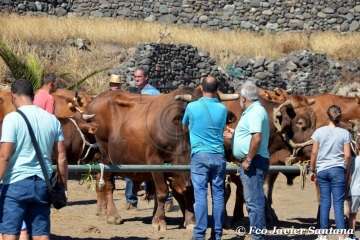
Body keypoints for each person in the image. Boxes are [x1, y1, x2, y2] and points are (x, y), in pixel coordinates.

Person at [0, 79, 68, 240]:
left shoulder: (12, 119)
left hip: (16, 184)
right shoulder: (52, 120)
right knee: (41, 233)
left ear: (13, 96)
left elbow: (4, 156)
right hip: (43, 184)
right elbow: (62, 157)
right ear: (32, 95)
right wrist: (63, 185)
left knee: (10, 232)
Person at [182, 75, 228, 240]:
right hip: (218, 156)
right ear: (216, 90)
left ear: (201, 88)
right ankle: (217, 233)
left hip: (199, 156)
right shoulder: (223, 109)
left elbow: (184, 126)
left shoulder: (192, 107)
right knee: (218, 194)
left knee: (200, 195)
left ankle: (199, 234)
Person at [224, 81, 270, 240]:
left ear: (244, 98)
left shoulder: (255, 112)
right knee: (253, 202)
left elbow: (256, 138)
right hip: (254, 161)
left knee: (254, 203)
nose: (239, 102)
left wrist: (248, 159)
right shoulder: (253, 111)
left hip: (254, 162)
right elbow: (251, 134)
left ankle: (258, 237)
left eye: (239, 99)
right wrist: (235, 134)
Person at [124, 67, 165, 210]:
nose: (136, 79)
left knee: (155, 170)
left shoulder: (152, 94)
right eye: (135, 77)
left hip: (149, 137)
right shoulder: (136, 93)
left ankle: (162, 199)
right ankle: (131, 200)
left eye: (139, 77)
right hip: (137, 136)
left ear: (146, 78)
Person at [310, 105, 352, 240]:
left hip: (322, 170)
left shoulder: (319, 132)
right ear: (339, 117)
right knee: (338, 203)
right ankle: (341, 235)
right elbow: (347, 156)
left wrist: (312, 168)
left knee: (324, 202)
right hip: (338, 170)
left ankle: (322, 235)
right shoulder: (345, 133)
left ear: (328, 116)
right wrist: (345, 169)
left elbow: (314, 152)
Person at [347, 133, 360, 240]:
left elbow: (348, 176)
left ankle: (351, 235)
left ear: (357, 146)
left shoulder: (352, 160)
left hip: (354, 191)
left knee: (352, 214)